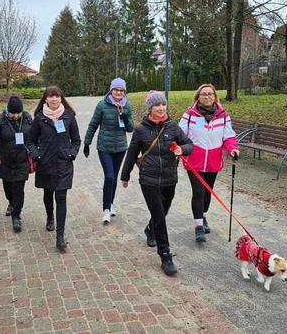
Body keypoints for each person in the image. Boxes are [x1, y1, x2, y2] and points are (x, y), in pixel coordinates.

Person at [120, 91, 193, 276]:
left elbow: (189, 144)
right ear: (150, 109)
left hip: (169, 178)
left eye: (163, 105)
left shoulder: (173, 127)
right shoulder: (141, 130)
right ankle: (165, 254)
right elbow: (131, 153)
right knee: (159, 215)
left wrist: (181, 149)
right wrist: (125, 175)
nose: (161, 109)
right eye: (156, 106)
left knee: (163, 211)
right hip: (149, 180)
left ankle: (149, 229)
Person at [178, 84, 239, 242]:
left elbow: (229, 136)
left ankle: (203, 216)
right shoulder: (189, 115)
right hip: (194, 161)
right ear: (198, 97)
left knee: (207, 192)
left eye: (210, 94)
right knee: (198, 192)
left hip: (213, 161)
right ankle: (199, 226)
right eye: (203, 94)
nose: (207, 96)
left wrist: (232, 149)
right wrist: (179, 148)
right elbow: (179, 134)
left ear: (215, 96)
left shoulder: (223, 116)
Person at [27, 86, 81, 251]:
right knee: (48, 193)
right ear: (45, 99)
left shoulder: (69, 117)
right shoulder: (40, 118)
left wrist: (72, 154)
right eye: (50, 96)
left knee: (61, 197)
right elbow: (30, 141)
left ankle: (60, 237)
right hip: (45, 163)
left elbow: (76, 140)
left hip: (64, 164)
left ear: (61, 98)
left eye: (57, 96)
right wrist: (37, 156)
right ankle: (50, 216)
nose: (54, 99)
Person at [83, 77, 134, 224]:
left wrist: (125, 119)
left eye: (121, 90)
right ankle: (106, 209)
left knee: (115, 177)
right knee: (109, 176)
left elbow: (130, 129)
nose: (119, 92)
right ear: (111, 90)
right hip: (104, 147)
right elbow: (93, 124)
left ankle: (110, 204)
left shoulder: (127, 107)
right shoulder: (102, 105)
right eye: (116, 89)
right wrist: (87, 142)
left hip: (120, 147)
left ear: (124, 92)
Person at [0, 96, 33, 232]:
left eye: (18, 113)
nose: (15, 116)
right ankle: (11, 202)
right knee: (8, 187)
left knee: (18, 189)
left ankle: (16, 216)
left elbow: (35, 136)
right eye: (12, 113)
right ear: (8, 111)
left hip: (22, 160)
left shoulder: (27, 118)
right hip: (6, 160)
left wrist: (36, 151)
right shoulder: (0, 120)